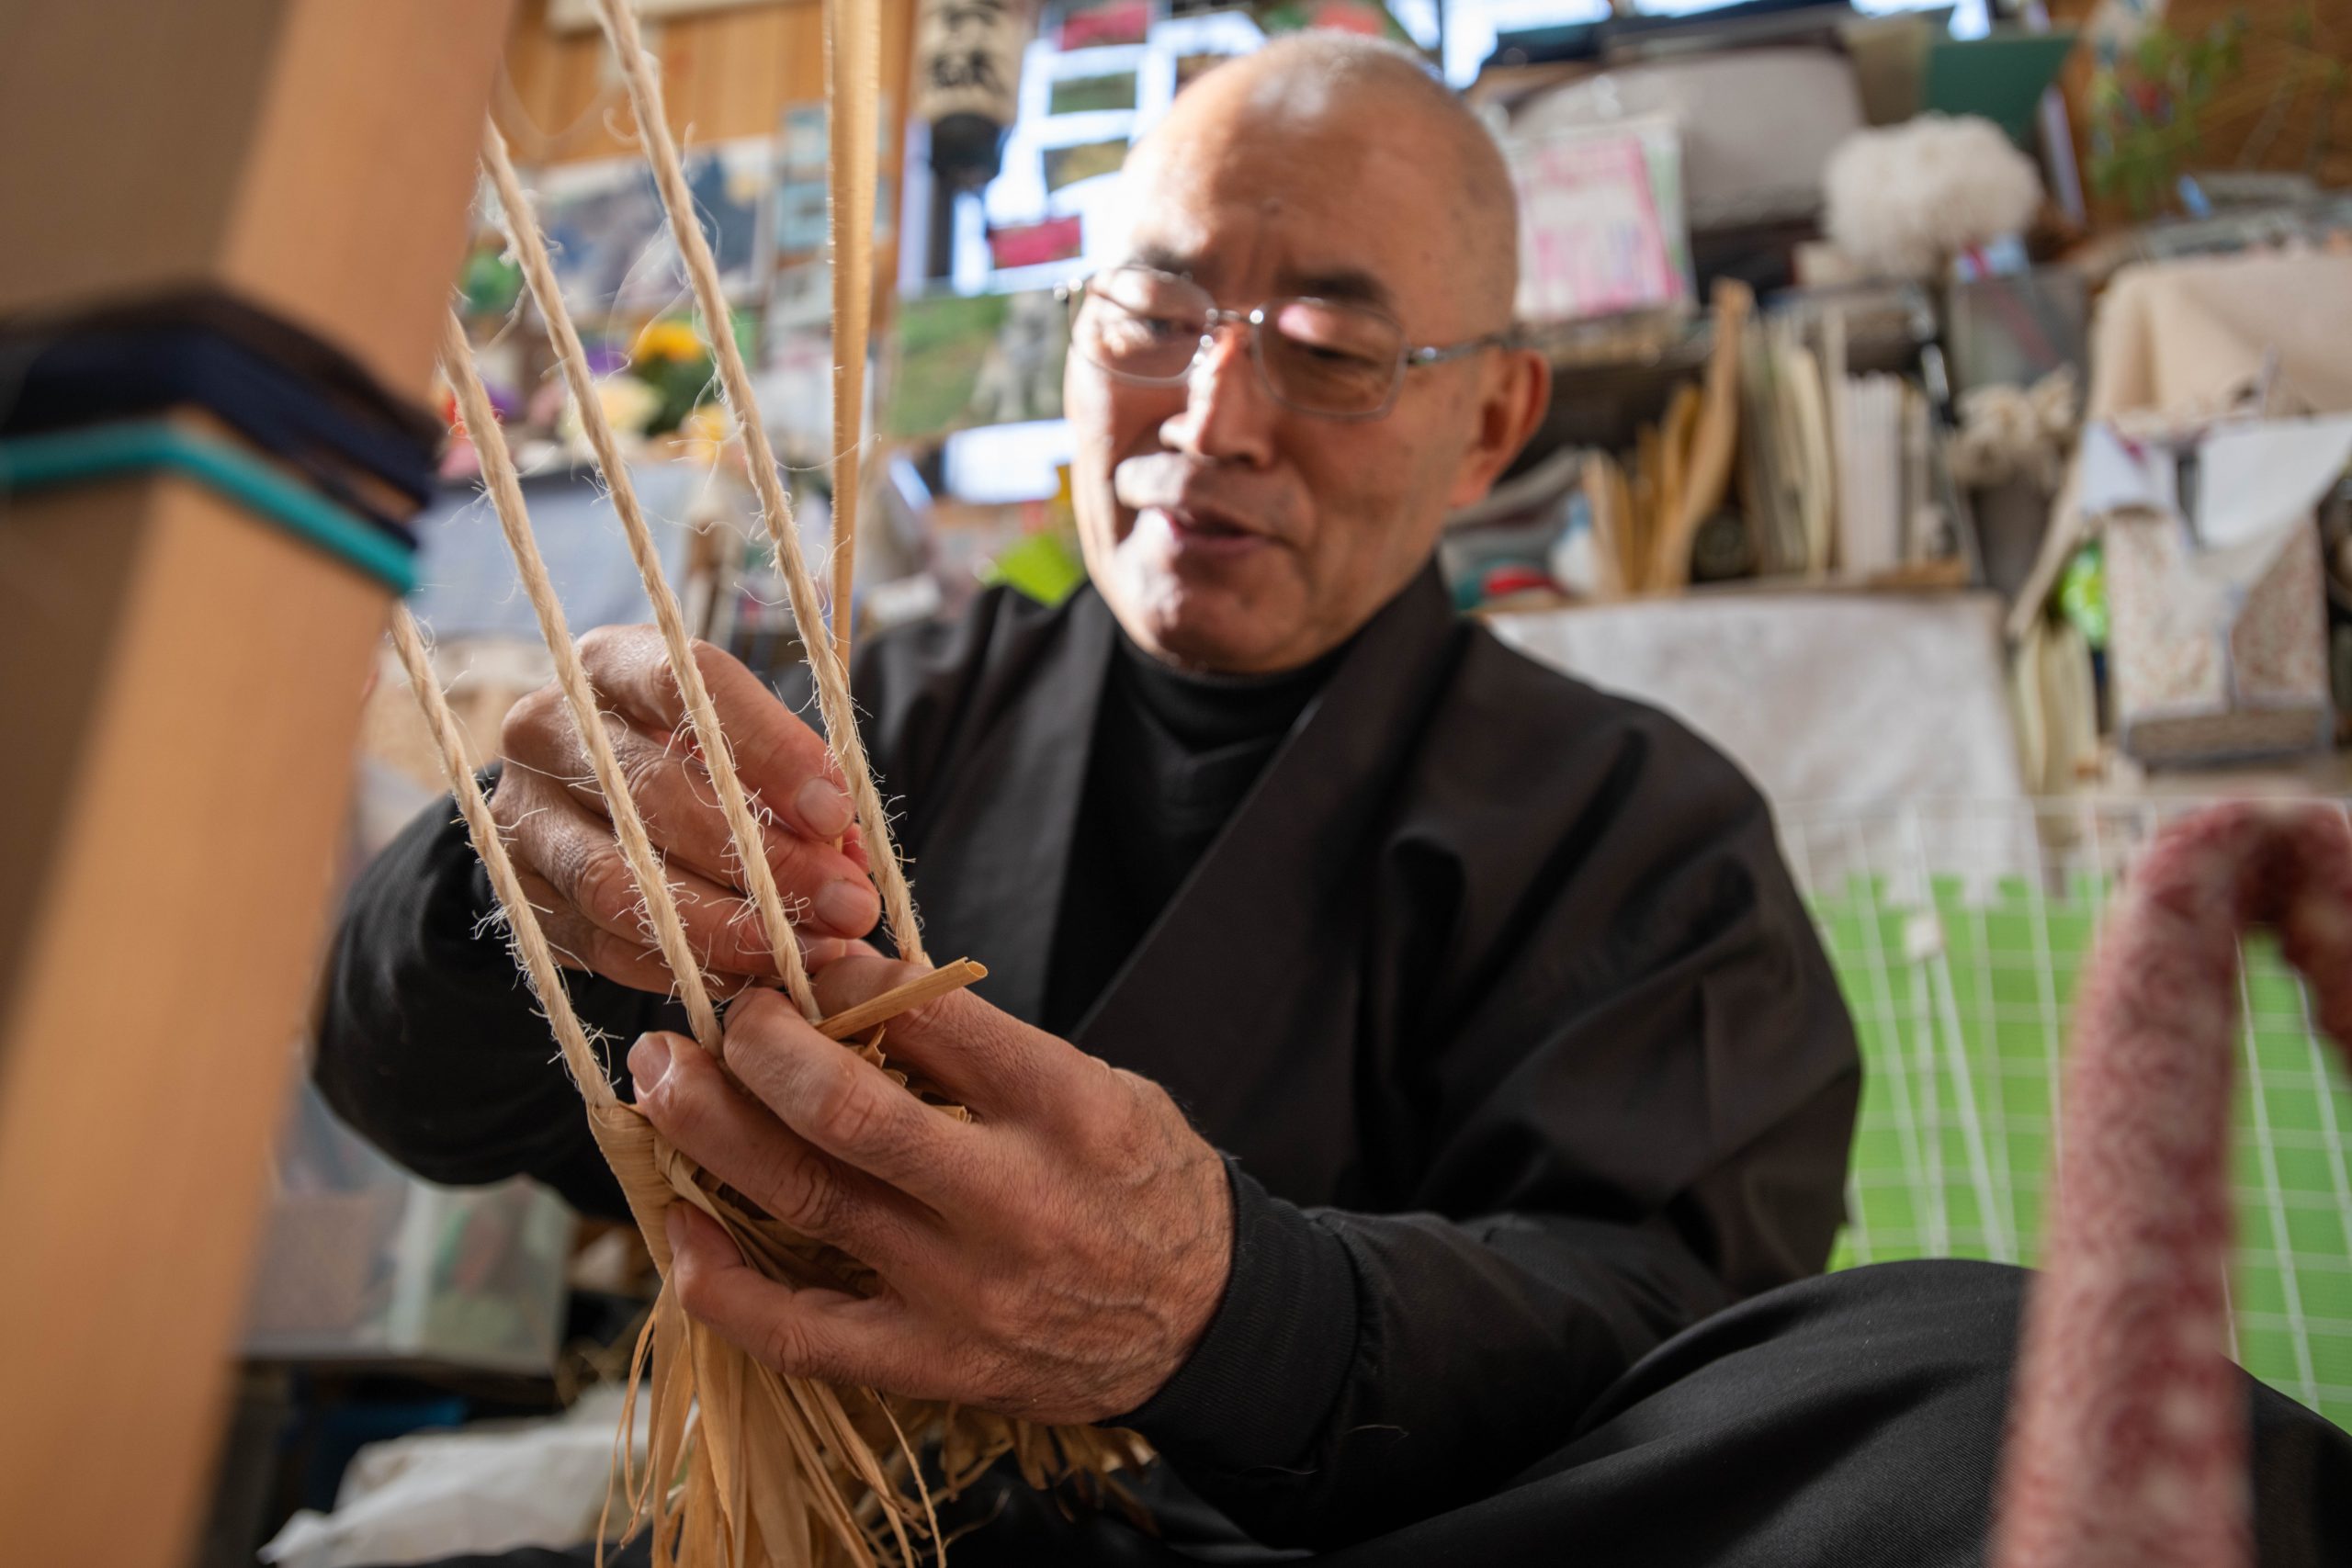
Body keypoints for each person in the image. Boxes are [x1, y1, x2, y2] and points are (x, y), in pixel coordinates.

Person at [321, 36, 2349, 1567]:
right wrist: (512, 875)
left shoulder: (1641, 832)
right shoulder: (872, 716)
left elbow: (1671, 1334)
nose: (1211, 419)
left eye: (1326, 349)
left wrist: (1218, 1307)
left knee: (1978, 1384)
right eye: (1153, 319)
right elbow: (399, 1086)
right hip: (848, 1533)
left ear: (1491, 420)